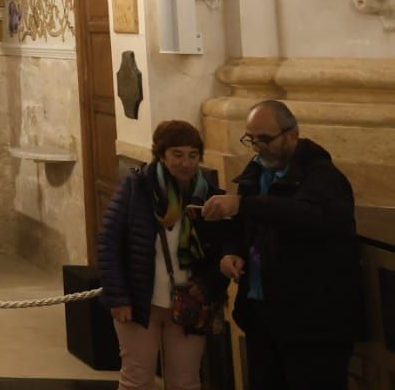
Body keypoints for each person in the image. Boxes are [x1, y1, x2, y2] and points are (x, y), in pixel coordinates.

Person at [200, 99, 362, 389]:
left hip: (313, 325)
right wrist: (231, 253)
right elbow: (241, 228)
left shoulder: (323, 177)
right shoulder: (256, 172)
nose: (257, 146)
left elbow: (305, 217)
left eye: (265, 138)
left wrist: (244, 204)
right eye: (251, 138)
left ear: (293, 135)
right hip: (263, 316)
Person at [96, 120, 229, 390]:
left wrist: (206, 286)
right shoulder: (137, 188)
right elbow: (109, 242)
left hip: (189, 303)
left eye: (193, 155)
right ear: (162, 155)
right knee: (137, 379)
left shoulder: (210, 196)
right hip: (139, 301)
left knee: (185, 381)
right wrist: (118, 296)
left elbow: (223, 250)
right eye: (177, 154)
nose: (186, 163)